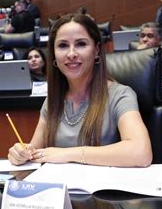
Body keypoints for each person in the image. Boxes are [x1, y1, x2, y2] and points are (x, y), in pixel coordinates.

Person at [8, 14, 152, 167]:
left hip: (102, 189)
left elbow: (141, 152)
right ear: (54, 55)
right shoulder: (53, 100)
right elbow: (35, 151)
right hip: (60, 189)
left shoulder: (120, 95)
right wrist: (22, 153)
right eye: (62, 45)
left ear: (96, 50)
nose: (71, 54)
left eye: (81, 44)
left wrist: (67, 154)